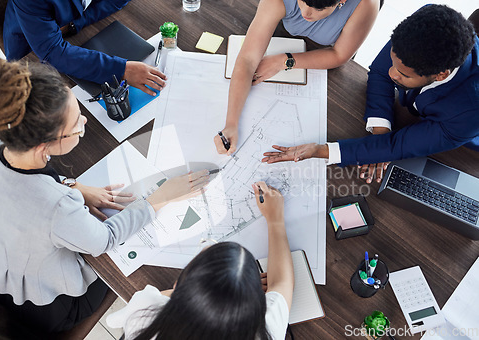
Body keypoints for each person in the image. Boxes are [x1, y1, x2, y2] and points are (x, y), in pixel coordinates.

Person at [0, 58, 208, 333]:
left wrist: (72, 185)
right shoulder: (57, 206)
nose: (84, 120)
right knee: (142, 271)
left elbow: (21, 192)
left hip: (2, 272)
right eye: (77, 124)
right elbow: (103, 240)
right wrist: (158, 198)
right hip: (53, 305)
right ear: (44, 146)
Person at [260, 5, 479, 184]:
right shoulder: (422, 30)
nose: (391, 73)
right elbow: (379, 72)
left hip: (462, 146)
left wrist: (322, 150)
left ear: (440, 75)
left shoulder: (470, 113)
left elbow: (400, 145)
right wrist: (380, 134)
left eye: (402, 74)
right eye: (393, 62)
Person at [106, 182, 294, 340]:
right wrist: (275, 220)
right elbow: (282, 283)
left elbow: (116, 319)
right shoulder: (266, 330)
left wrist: (206, 292)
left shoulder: (145, 311)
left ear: (179, 283)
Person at [214, 0, 380, 155]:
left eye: (319, 9)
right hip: (286, 33)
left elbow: (340, 54)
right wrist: (231, 124)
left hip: (329, 50)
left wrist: (284, 61)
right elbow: (248, 59)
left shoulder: (366, 4)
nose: (306, 13)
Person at [3, 0, 166, 96]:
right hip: (30, 51)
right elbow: (51, 51)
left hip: (75, 26)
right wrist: (121, 70)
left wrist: (76, 25)